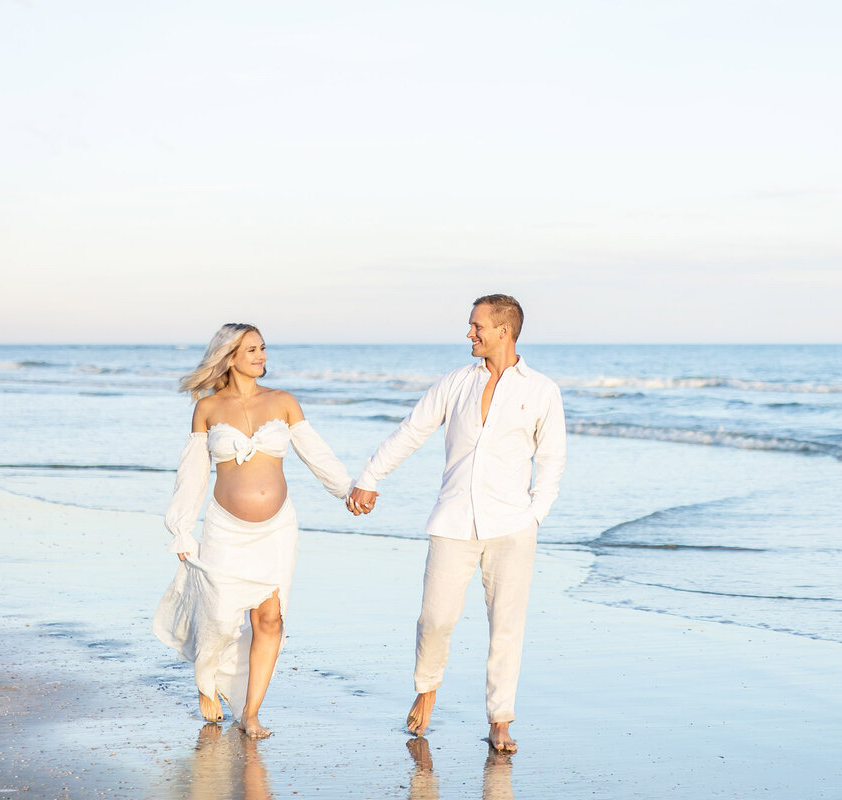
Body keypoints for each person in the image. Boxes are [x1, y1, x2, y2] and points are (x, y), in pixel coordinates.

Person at [346, 294, 566, 752]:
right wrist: (369, 477)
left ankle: (500, 719)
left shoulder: (542, 390)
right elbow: (411, 430)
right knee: (435, 619)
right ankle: (426, 691)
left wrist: (535, 515)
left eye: (476, 326)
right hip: (452, 521)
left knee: (506, 626)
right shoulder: (455, 383)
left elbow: (551, 459)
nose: (470, 333)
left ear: (503, 330)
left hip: (512, 527)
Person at [153, 323, 354, 738]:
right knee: (221, 618)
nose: (262, 356)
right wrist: (181, 528)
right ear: (229, 357)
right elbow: (192, 474)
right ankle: (207, 678)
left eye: (263, 348)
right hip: (226, 528)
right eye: (251, 350)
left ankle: (251, 713)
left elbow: (316, 452)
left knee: (270, 620)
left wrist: (348, 490)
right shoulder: (208, 408)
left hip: (278, 528)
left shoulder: (283, 402)